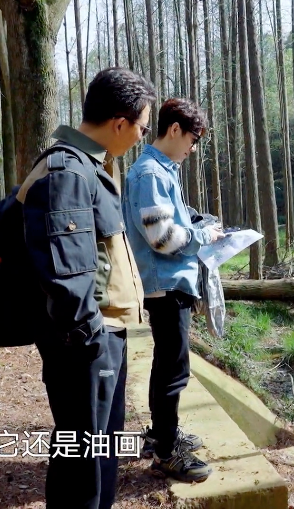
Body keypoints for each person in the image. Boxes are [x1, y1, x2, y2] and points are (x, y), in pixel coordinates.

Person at [18, 67, 156, 509]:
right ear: (120, 122)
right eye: (142, 127)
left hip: (97, 336)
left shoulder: (88, 167)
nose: (141, 136)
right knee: (86, 460)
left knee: (96, 450)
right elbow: (67, 272)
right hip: (85, 342)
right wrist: (91, 339)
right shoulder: (69, 172)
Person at [122, 98, 224, 483]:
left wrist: (198, 223)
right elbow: (162, 238)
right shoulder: (150, 173)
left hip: (171, 283)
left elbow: (170, 221)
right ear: (175, 130)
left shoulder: (163, 170)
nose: (193, 148)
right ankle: (166, 453)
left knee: (167, 363)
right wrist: (203, 236)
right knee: (173, 370)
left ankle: (161, 434)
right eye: (193, 139)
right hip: (165, 285)